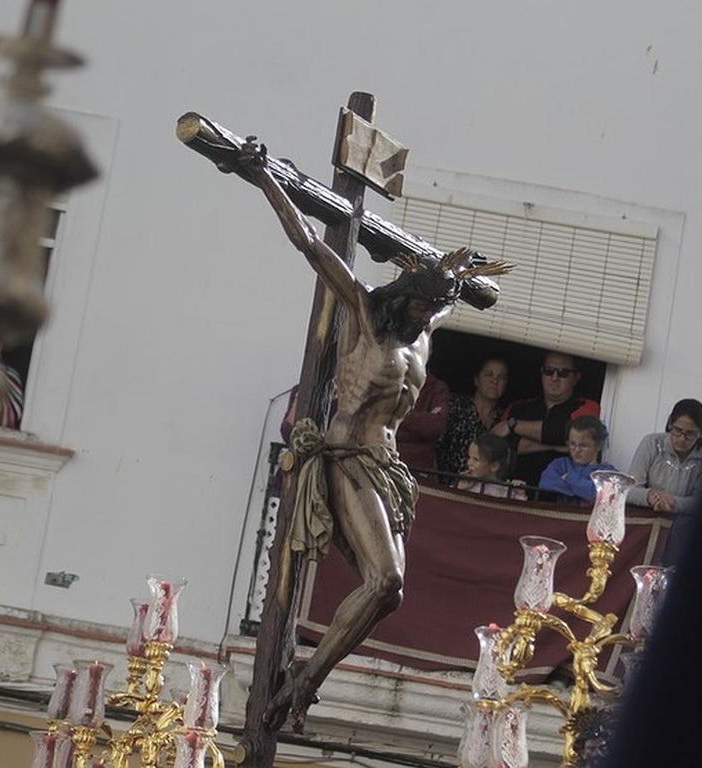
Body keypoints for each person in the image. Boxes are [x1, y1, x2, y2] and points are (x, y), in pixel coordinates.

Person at [237, 138, 512, 731]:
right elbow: (311, 245)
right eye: (419, 307)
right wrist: (265, 178)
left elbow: (451, 296)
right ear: (404, 296)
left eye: (431, 311)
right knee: (384, 578)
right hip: (347, 456)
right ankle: (304, 682)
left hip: (389, 469)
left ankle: (307, 679)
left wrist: (461, 273)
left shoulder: (425, 333)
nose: (424, 317)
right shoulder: (365, 313)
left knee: (392, 592)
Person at [624, 398, 702, 565]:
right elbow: (628, 490)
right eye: (677, 431)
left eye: (690, 434)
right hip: (646, 523)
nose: (681, 439)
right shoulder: (652, 443)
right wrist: (650, 496)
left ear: (701, 433)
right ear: (669, 424)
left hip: (683, 529)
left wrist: (673, 503)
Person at [491, 350, 600, 486]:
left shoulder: (588, 407)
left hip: (563, 494)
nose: (554, 378)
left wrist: (513, 425)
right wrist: (553, 446)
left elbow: (563, 433)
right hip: (514, 490)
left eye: (563, 373)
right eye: (549, 371)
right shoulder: (517, 408)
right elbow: (500, 447)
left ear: (576, 377)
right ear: (541, 372)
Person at [435, 356, 508, 479]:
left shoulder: (504, 417)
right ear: (476, 380)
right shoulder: (454, 405)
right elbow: (433, 445)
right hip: (444, 484)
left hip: (484, 488)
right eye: (489, 374)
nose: (495, 381)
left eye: (501, 377)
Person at [538, 415, 618, 502]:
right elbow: (545, 485)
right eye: (572, 444)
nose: (577, 450)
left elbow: (602, 495)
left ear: (599, 446)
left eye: (583, 445)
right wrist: (585, 491)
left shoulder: (607, 472)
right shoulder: (559, 465)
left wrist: (570, 478)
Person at [395, 371, 449, 472]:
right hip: (390, 460)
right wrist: (421, 423)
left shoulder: (437, 387)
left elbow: (436, 426)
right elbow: (379, 420)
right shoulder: (390, 381)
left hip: (421, 469)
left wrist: (399, 414)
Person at [456, 432, 527, 500]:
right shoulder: (467, 485)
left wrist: (519, 494)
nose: (469, 463)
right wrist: (460, 488)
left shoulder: (506, 491)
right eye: (469, 457)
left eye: (476, 459)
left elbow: (516, 507)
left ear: (494, 466)